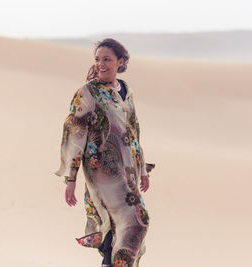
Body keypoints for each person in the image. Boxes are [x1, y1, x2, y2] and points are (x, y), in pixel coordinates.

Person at [55, 38, 155, 267]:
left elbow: (134, 131)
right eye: (98, 59)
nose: (101, 64)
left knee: (121, 224)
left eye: (107, 59)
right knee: (137, 221)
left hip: (127, 170)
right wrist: (71, 178)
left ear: (120, 62)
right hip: (102, 172)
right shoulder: (88, 92)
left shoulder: (126, 90)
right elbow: (74, 135)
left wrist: (142, 170)